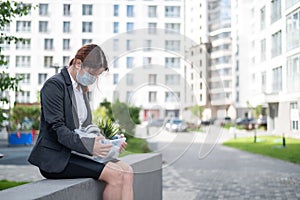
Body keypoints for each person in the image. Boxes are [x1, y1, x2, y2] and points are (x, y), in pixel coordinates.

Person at [28, 44, 133, 200]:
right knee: (116, 175)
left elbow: (85, 128)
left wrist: (109, 143)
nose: (93, 79)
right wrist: (90, 147)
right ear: (78, 63)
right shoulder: (54, 85)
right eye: (92, 74)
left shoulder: (80, 88)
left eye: (96, 76)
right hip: (58, 158)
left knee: (127, 171)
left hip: (76, 152)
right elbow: (58, 130)